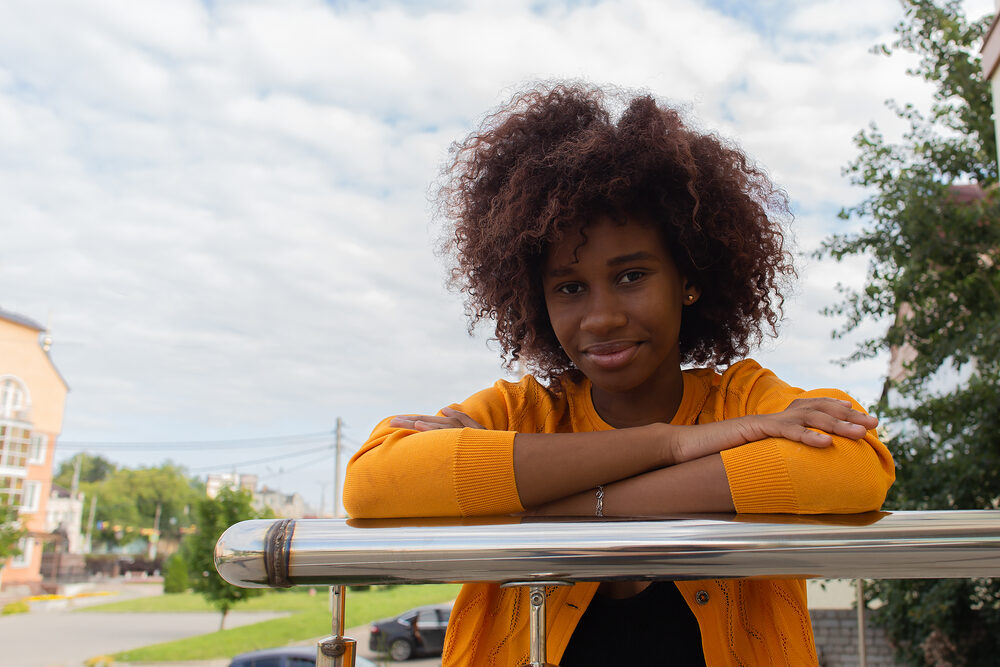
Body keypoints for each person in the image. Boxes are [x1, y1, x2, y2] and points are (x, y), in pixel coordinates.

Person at [343, 83, 895, 666]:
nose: (602, 316)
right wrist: (673, 443)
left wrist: (542, 509)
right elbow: (371, 485)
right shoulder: (522, 411)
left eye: (632, 275)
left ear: (689, 278)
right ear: (538, 301)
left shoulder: (743, 398)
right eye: (570, 287)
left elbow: (855, 469)